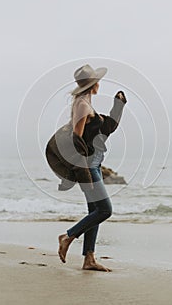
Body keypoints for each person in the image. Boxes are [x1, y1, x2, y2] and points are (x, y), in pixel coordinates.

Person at [45, 64, 127, 272]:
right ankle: (68, 236)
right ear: (92, 84)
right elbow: (75, 138)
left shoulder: (87, 102)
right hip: (87, 165)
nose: (99, 83)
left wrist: (118, 106)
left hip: (96, 163)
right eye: (97, 81)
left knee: (95, 211)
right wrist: (82, 170)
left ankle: (89, 258)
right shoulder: (82, 105)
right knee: (105, 210)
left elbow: (106, 129)